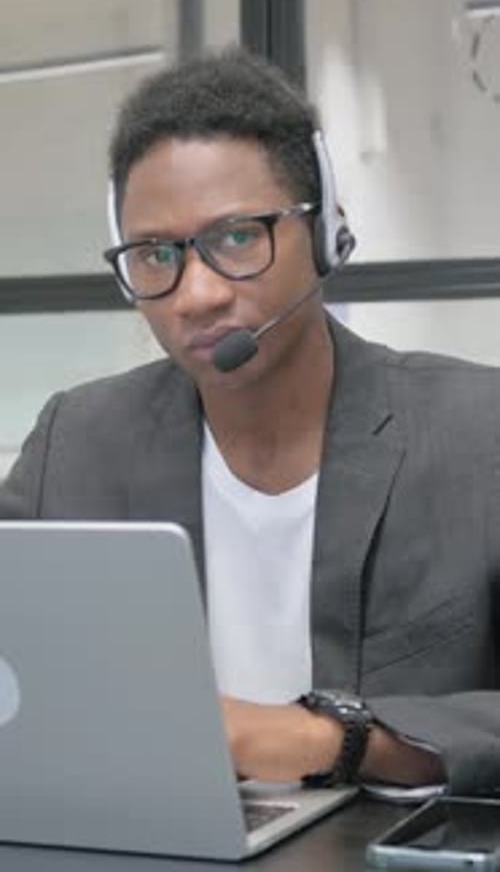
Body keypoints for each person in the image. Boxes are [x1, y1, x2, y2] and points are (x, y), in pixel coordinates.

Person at [1, 47, 499, 796]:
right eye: (155, 253)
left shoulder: (475, 433)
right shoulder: (77, 443)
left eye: (237, 237)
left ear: (328, 232)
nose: (194, 294)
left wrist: (329, 740)